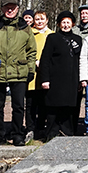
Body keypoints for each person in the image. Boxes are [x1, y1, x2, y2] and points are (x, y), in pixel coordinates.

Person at [0, 0, 37, 147]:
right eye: (7, 7)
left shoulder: (25, 28)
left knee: (18, 106)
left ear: (17, 9)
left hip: (19, 72)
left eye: (13, 7)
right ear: (2, 9)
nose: (10, 10)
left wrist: (30, 69)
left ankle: (17, 134)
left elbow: (31, 51)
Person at [38, 11, 83, 140]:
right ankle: (52, 132)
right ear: (59, 24)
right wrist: (45, 79)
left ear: (73, 24)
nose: (66, 25)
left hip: (72, 79)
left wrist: (80, 79)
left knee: (69, 107)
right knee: (53, 107)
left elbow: (81, 60)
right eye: (63, 22)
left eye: (68, 22)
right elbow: (45, 60)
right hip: (55, 79)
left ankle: (67, 132)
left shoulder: (78, 40)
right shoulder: (52, 38)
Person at [28, 11, 54, 140]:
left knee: (45, 103)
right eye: (37, 19)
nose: (39, 21)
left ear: (47, 20)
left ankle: (41, 127)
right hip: (33, 73)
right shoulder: (29, 33)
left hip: (46, 73)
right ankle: (30, 128)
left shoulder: (52, 35)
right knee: (31, 103)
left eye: (42, 19)